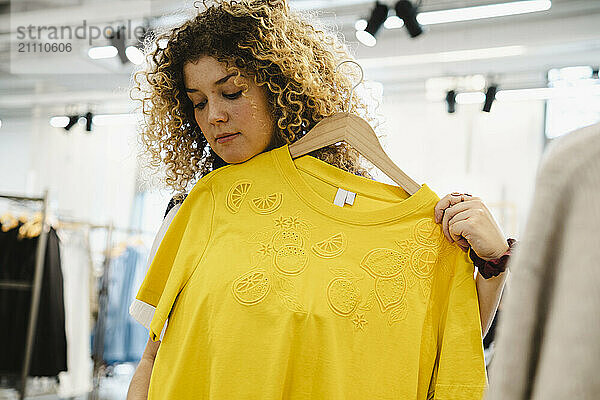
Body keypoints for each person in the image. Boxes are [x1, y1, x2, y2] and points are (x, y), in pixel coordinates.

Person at [127, 0, 512, 398]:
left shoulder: (394, 220)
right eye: (199, 102)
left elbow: (442, 346)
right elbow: (154, 357)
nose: (214, 116)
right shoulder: (196, 208)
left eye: (231, 92)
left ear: (280, 88)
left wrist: (494, 262)